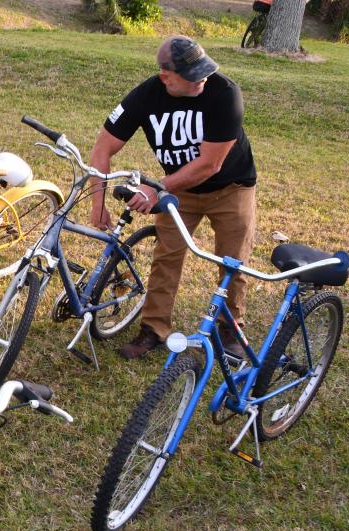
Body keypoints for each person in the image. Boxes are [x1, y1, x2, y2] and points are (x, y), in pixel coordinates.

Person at [89, 35, 257, 359]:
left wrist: (158, 188)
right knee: (167, 256)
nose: (202, 79)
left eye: (204, 70)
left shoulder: (225, 93)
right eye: (193, 75)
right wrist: (98, 203)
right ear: (167, 77)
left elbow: (211, 164)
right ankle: (153, 329)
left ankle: (230, 327)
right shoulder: (147, 95)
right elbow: (102, 148)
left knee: (232, 258)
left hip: (231, 187)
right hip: (180, 190)